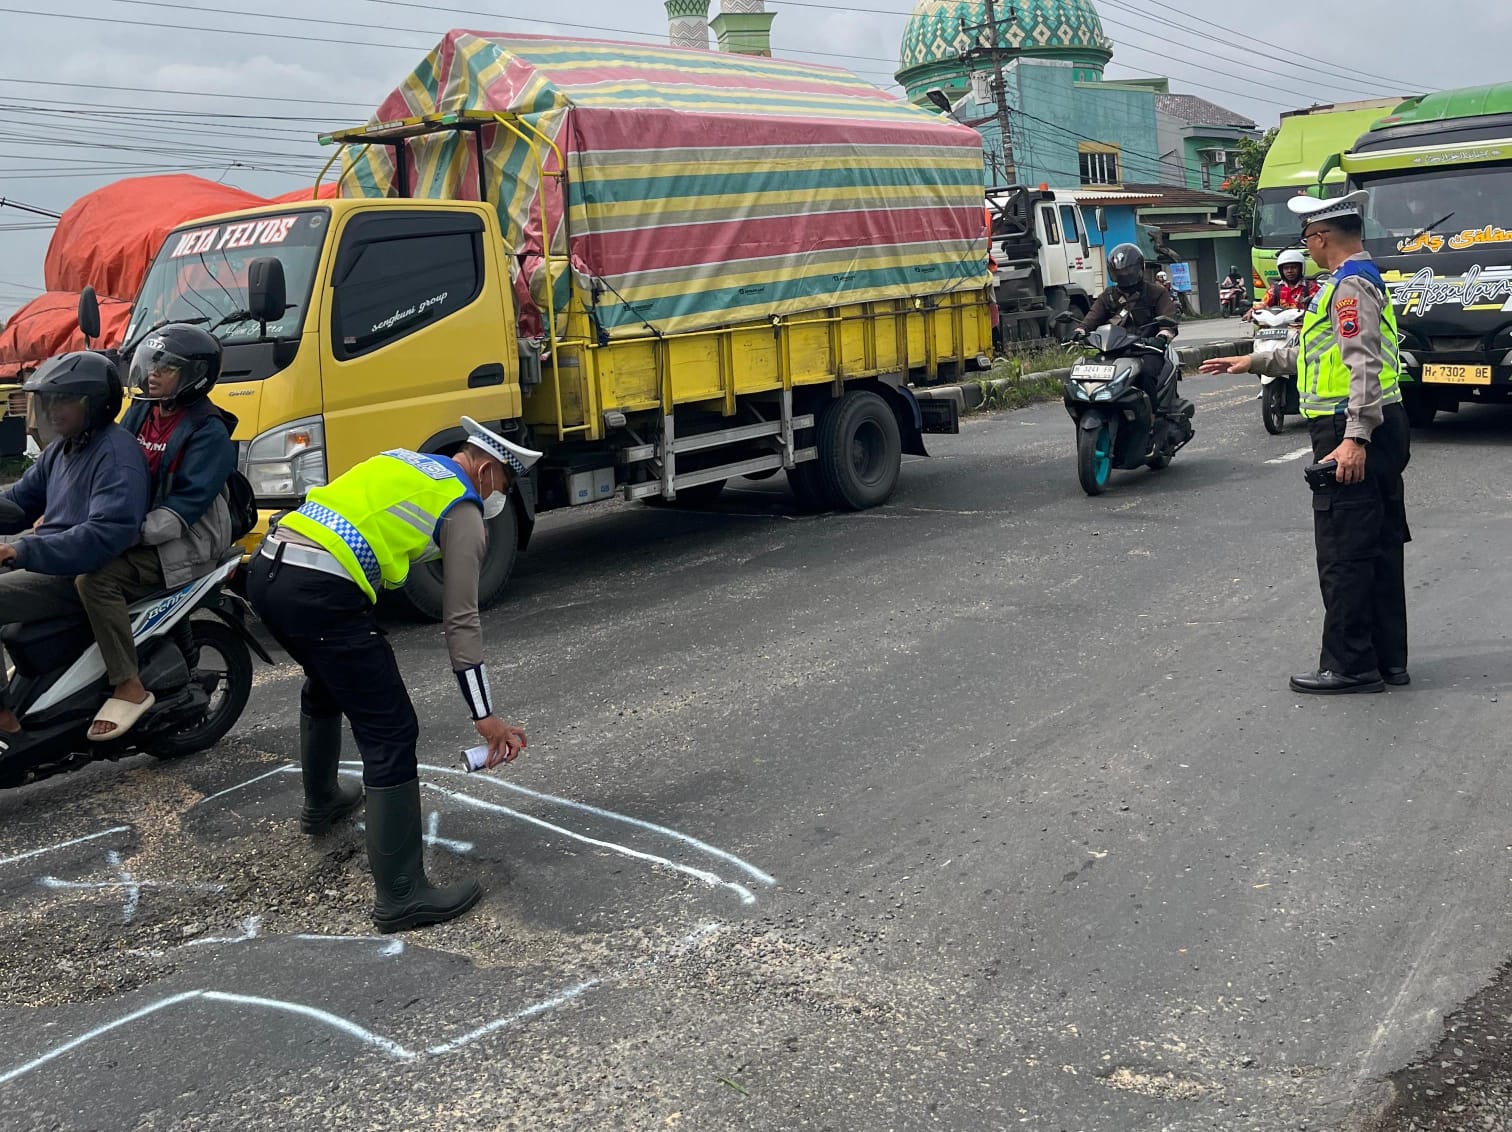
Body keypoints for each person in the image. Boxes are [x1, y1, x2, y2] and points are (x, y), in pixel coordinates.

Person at [246, 417, 539, 933]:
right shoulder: (463, 508)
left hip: (269, 569)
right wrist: (485, 715)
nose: (502, 497)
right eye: (506, 485)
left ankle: (322, 802)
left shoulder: (407, 460)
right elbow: (461, 619)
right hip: (319, 588)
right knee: (391, 730)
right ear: (487, 471)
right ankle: (403, 895)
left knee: (328, 678)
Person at [1201, 189, 1410, 694]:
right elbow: (1318, 354)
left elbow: (1363, 364)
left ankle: (1351, 666)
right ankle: (1387, 660)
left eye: (1308, 238)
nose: (1307, 247)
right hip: (1378, 424)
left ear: (1320, 238)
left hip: (1349, 427)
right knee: (1378, 545)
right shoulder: (1356, 280)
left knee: (1344, 551)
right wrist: (1253, 361)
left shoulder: (1347, 287)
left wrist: (1355, 438)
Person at [79, 325, 238, 741]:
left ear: (195, 376)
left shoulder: (209, 432)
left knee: (95, 581)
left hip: (181, 543)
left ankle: (127, 685)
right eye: (153, 364)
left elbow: (179, 512)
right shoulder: (143, 411)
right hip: (132, 529)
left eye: (167, 368)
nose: (153, 374)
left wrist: (116, 534)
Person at [0, 352, 150, 737]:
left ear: (94, 404)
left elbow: (104, 535)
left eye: (62, 400)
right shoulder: (63, 448)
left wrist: (20, 550)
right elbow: (19, 502)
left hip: (78, 568)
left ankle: (3, 719)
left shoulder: (115, 456)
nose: (52, 410)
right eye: (48, 401)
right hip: (54, 556)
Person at [1073, 243, 1186, 414]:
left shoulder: (1156, 292)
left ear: (1139, 269)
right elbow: (1092, 318)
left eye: (1128, 271)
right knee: (1090, 373)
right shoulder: (1109, 296)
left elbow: (1168, 320)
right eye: (1119, 272)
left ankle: (1152, 415)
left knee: (1147, 373)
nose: (1124, 276)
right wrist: (1080, 331)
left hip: (1146, 349)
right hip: (1114, 350)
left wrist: (1161, 337)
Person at [1250, 249, 1319, 314]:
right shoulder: (1275, 289)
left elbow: (1320, 305)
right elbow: (1263, 304)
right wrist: (1252, 311)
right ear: (1281, 270)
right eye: (1286, 268)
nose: (1289, 271)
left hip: (1303, 322)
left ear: (1301, 268)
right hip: (1280, 322)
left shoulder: (1311, 287)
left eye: (1293, 267)